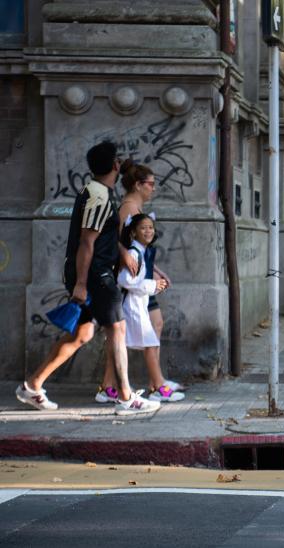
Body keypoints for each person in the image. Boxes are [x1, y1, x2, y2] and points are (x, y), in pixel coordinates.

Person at [15, 141, 160, 416]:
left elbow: (102, 235)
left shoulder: (99, 192)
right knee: (118, 328)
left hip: (95, 272)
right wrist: (81, 283)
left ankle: (32, 385)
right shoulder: (98, 195)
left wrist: (118, 251)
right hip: (96, 274)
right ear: (114, 165)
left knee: (83, 333)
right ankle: (126, 397)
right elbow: (86, 242)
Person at [94, 160, 184, 403]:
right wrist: (128, 258)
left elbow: (141, 250)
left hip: (141, 279)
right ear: (137, 184)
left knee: (150, 327)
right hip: (133, 284)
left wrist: (156, 270)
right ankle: (153, 385)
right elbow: (115, 241)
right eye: (151, 184)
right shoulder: (127, 208)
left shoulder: (135, 207)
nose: (153, 188)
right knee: (139, 332)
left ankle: (118, 385)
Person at [117, 214, 183, 401]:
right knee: (150, 345)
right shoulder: (134, 253)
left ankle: (154, 387)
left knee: (147, 345)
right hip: (133, 306)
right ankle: (158, 389)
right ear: (133, 232)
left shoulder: (141, 251)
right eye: (143, 228)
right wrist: (153, 286)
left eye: (150, 227)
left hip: (139, 305)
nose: (148, 231)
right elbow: (125, 280)